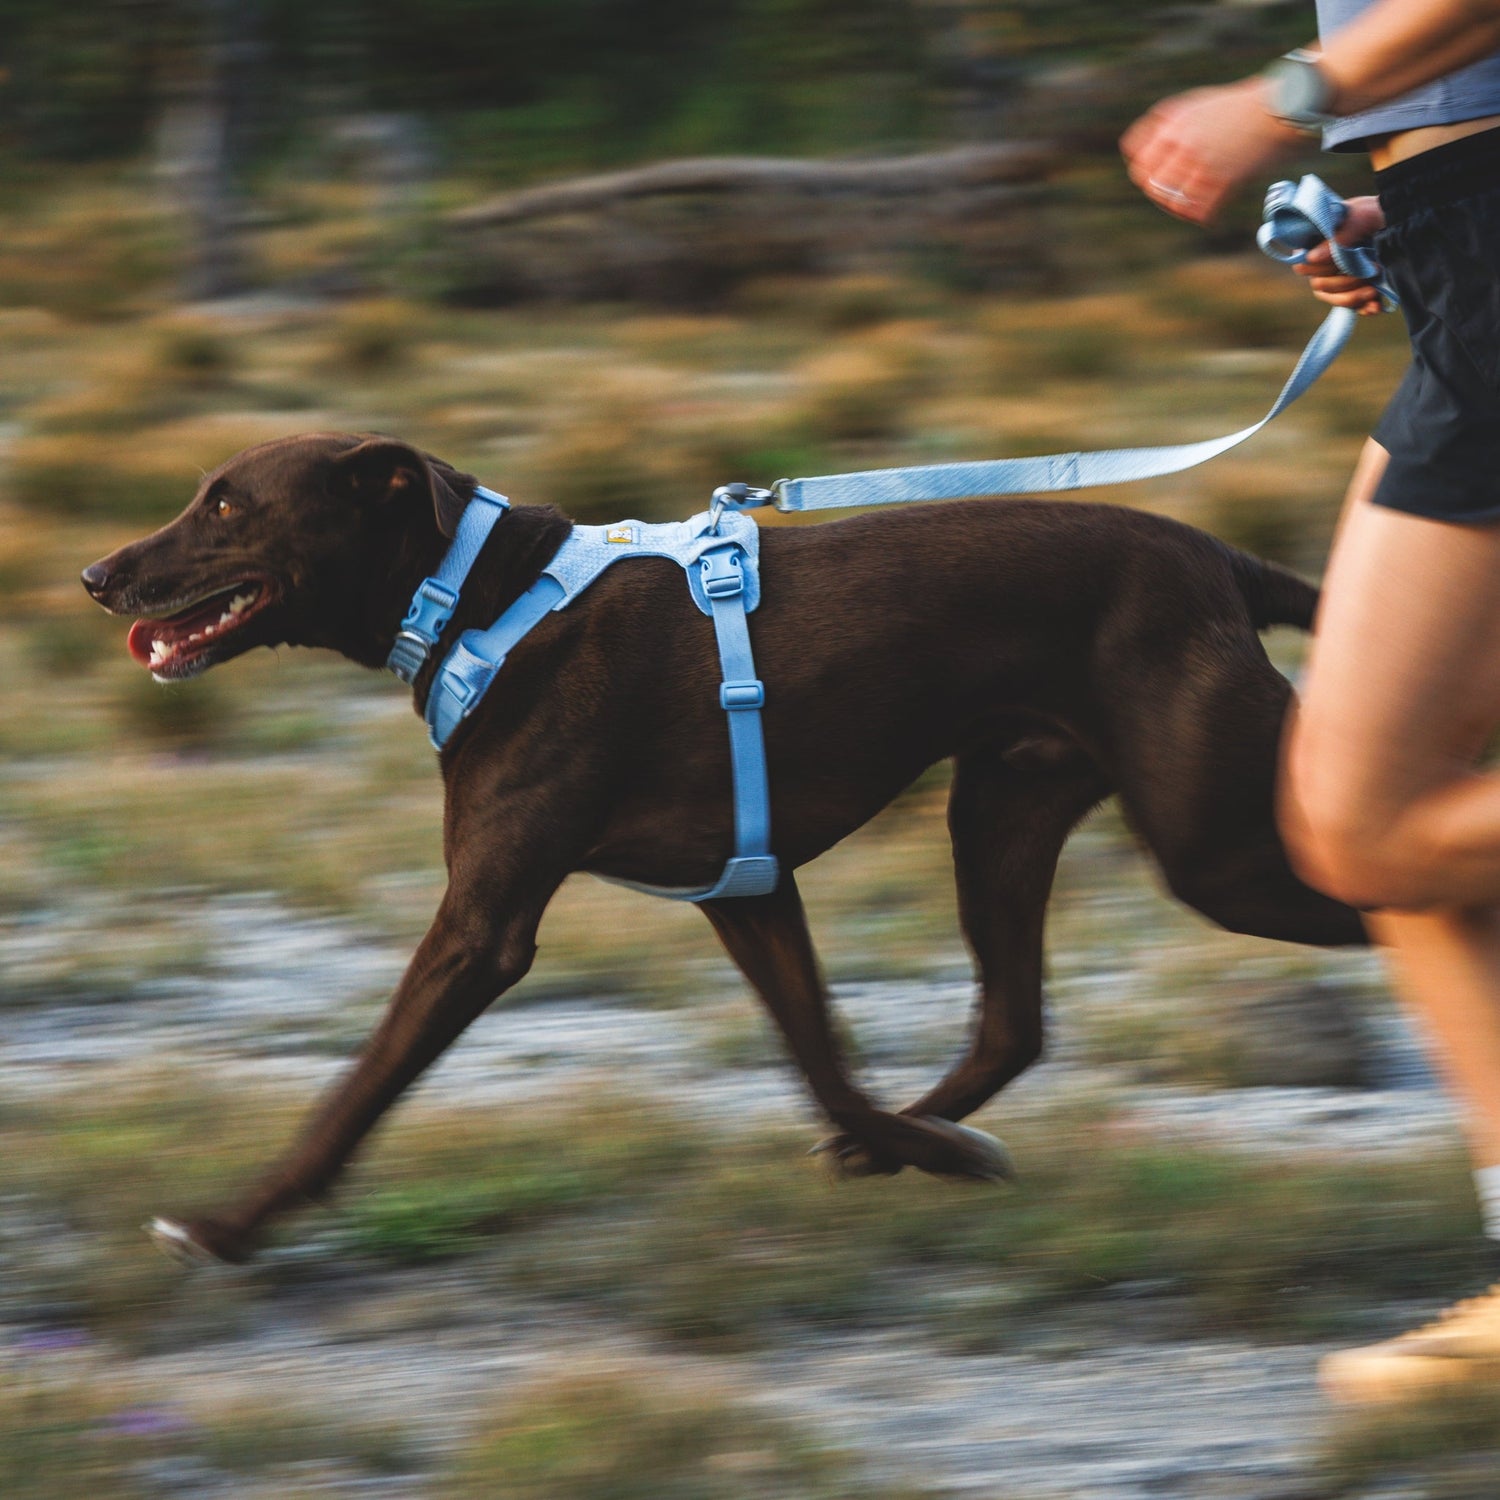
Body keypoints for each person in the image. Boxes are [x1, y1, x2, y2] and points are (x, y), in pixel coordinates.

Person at [1121, 1, 1500, 1404]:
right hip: (1462, 235)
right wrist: (1388, 199)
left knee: (1367, 822)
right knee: (1378, 815)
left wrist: (1286, 92)